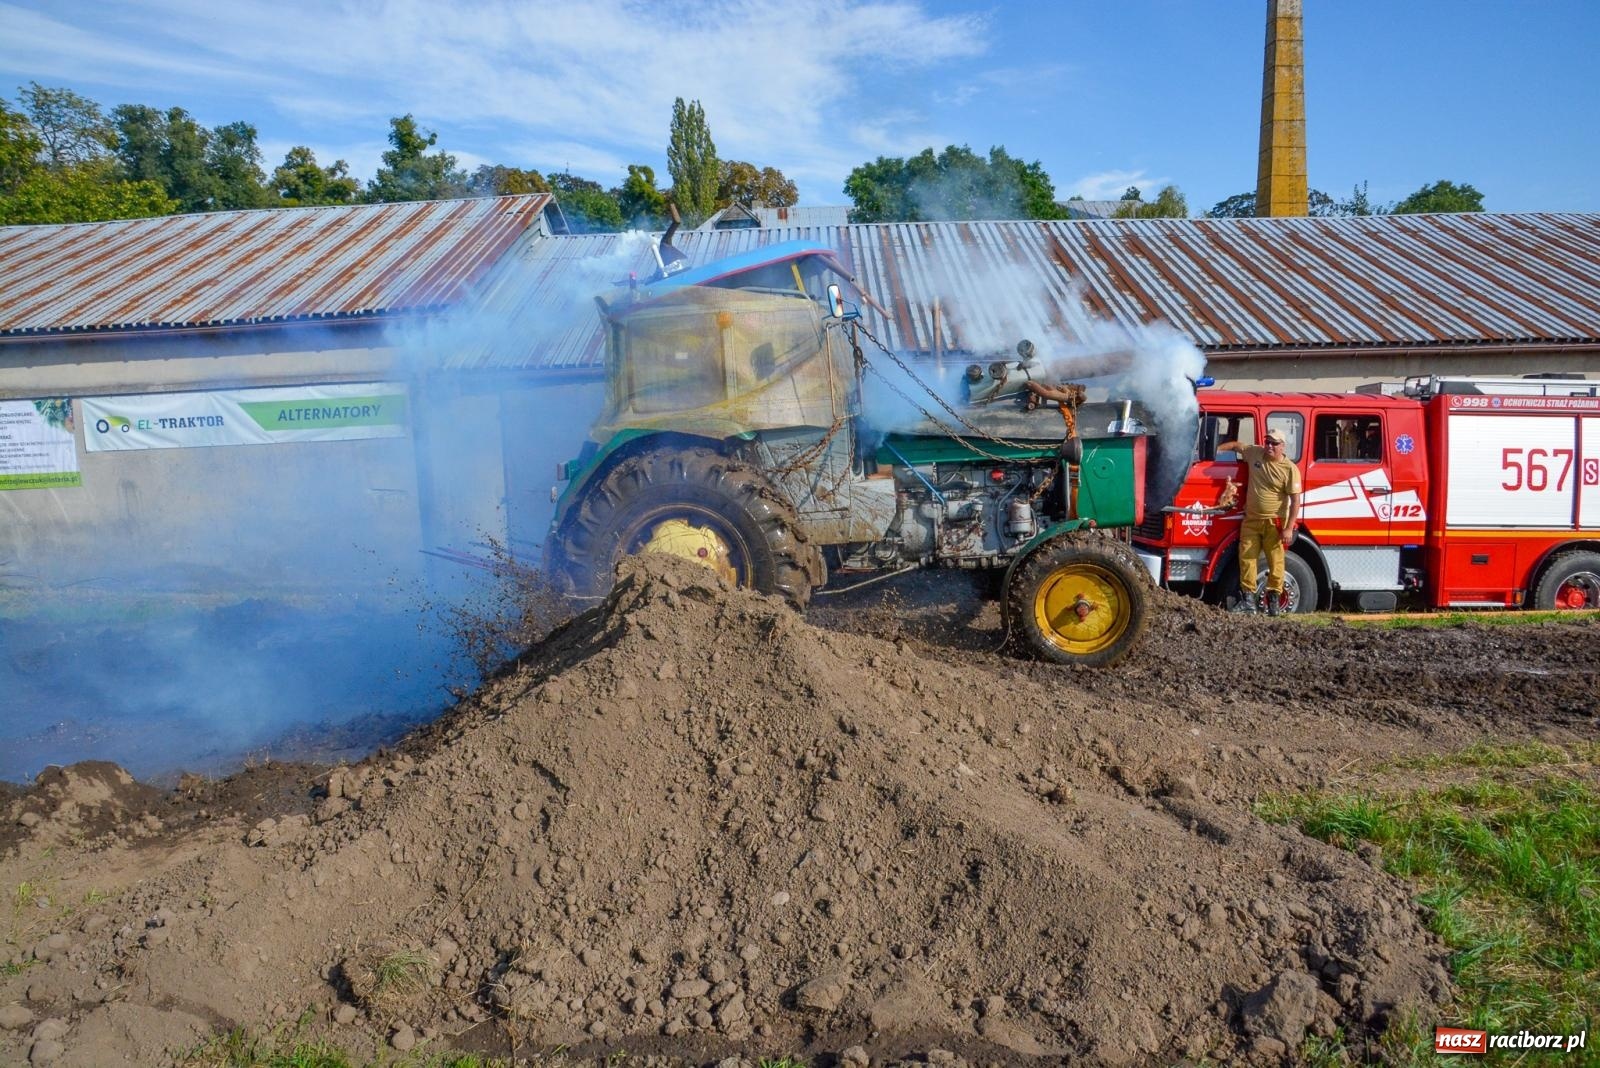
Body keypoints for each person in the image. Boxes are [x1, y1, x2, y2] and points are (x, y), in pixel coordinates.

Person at [1219, 427, 1302, 615]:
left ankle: (1274, 602)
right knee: (1247, 559)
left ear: (1282, 446)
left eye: (1274, 443)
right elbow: (1236, 445)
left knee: (1276, 561)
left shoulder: (1290, 469)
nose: (1269, 446)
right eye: (1267, 442)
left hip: (1274, 522)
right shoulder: (1255, 452)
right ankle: (1248, 601)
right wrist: (1214, 451)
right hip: (1251, 520)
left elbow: (1295, 501)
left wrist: (1288, 528)